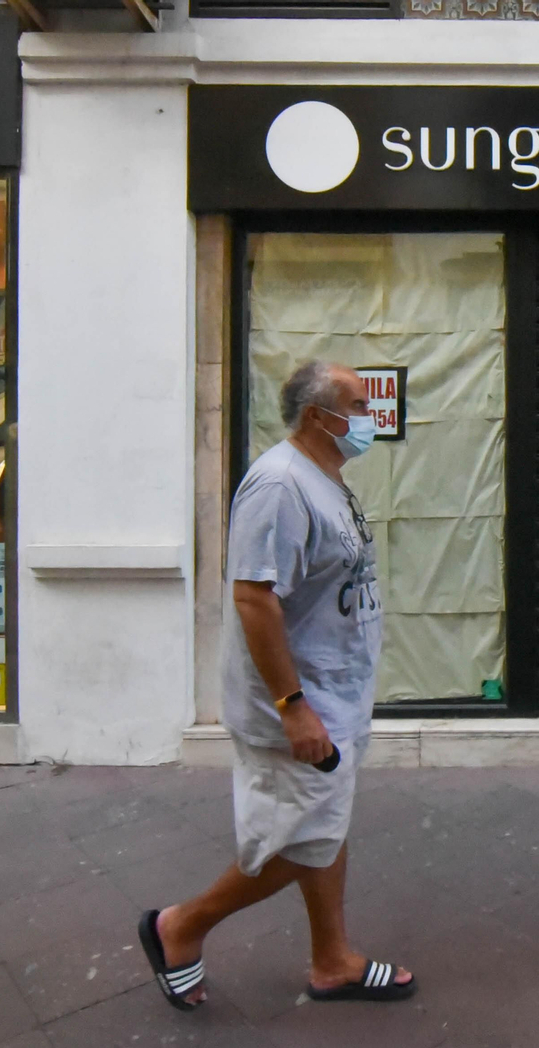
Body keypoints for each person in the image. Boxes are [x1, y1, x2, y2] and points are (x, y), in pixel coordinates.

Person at [137, 360, 413, 1010]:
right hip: (295, 702)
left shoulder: (324, 478)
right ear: (320, 416)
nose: (368, 418)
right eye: (357, 405)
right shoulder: (280, 485)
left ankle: (332, 960)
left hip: (331, 692)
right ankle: (180, 927)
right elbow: (254, 598)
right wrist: (293, 707)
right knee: (299, 839)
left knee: (324, 824)